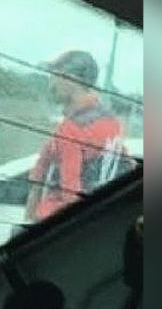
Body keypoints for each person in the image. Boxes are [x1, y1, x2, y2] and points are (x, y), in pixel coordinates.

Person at [25, 50, 129, 222]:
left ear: (71, 79)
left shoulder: (71, 130)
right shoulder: (112, 123)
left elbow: (70, 195)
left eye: (55, 76)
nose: (51, 85)